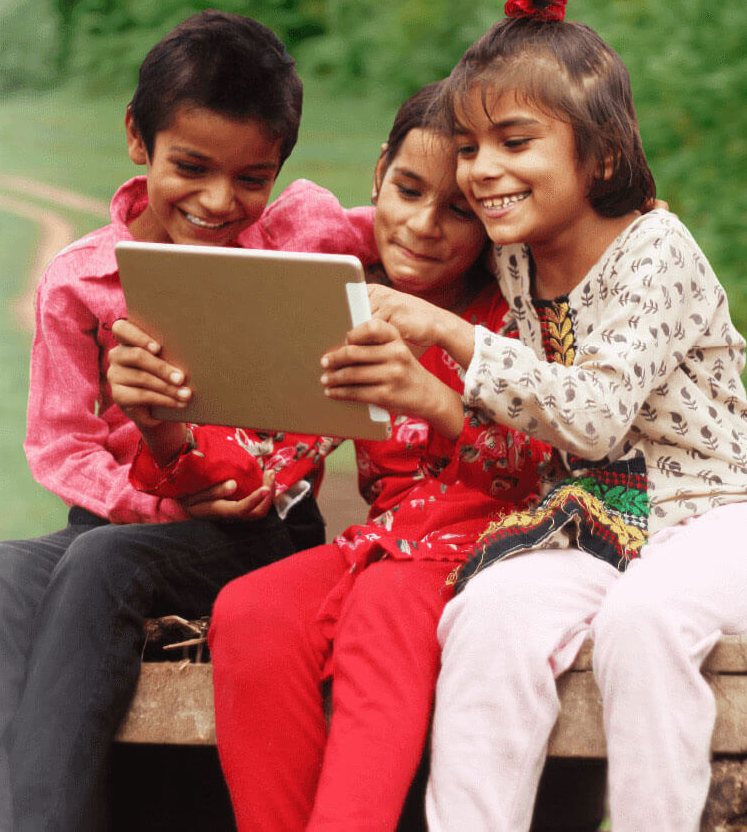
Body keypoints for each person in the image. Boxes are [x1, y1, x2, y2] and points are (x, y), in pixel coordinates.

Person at [341, 0, 747, 831]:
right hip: (603, 524)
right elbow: (378, 220)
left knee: (644, 622)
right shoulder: (516, 249)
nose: (482, 171)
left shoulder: (654, 250)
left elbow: (593, 416)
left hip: (725, 520)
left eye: (514, 143)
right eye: (471, 146)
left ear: (598, 155)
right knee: (486, 613)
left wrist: (448, 333)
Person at [0, 10, 376, 832]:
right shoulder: (82, 282)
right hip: (119, 523)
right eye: (191, 166)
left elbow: (410, 225)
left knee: (104, 565)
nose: (220, 201)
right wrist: (160, 506)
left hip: (261, 530)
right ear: (136, 140)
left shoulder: (298, 238)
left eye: (251, 178)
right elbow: (62, 445)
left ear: (277, 171)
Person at [107, 82, 556, 831]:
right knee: (247, 609)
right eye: (408, 190)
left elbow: (545, 472)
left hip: (497, 549)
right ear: (379, 172)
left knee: (381, 611)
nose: (421, 226)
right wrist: (161, 425)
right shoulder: (345, 302)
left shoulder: (515, 310)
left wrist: (435, 400)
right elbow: (259, 470)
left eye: (458, 210)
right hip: (382, 547)